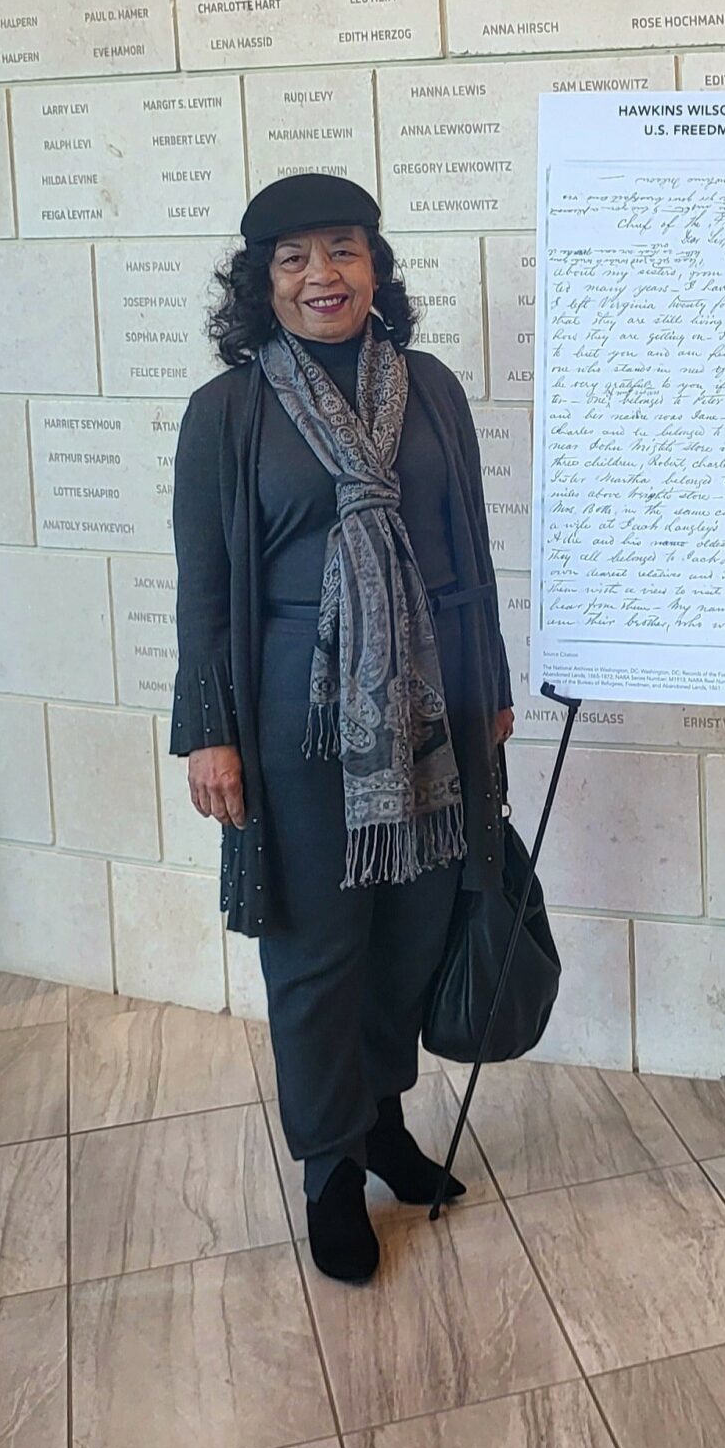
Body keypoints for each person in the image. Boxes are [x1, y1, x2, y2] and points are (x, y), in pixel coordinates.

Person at [171, 174, 513, 1285]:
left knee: (412, 931)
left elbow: (471, 547)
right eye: (294, 258)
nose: (322, 275)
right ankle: (329, 1168)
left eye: (343, 250)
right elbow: (203, 587)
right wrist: (209, 732)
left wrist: (492, 685)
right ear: (261, 282)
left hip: (436, 700)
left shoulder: (431, 388)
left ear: (375, 267)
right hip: (292, 718)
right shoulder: (228, 412)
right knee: (318, 948)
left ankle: (381, 1124)